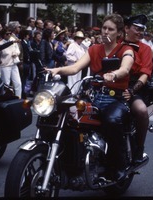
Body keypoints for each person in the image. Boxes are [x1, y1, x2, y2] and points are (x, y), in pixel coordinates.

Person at [45, 13, 135, 182]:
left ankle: (119, 165)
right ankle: (72, 161)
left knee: (112, 121)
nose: (106, 32)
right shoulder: (94, 49)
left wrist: (114, 75)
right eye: (104, 28)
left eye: (111, 29)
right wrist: (57, 70)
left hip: (116, 99)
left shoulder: (126, 49)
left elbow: (125, 68)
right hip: (94, 97)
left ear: (119, 33)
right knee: (71, 118)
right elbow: (75, 67)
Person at [122, 14, 153, 164]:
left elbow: (145, 74)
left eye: (142, 29)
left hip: (133, 87)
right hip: (111, 85)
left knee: (141, 110)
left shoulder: (146, 49)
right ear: (127, 28)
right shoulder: (117, 44)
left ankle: (139, 148)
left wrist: (132, 91)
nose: (140, 32)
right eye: (137, 28)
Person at [0, 27, 22, 98]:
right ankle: (6, 98)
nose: (9, 35)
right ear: (3, 35)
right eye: (7, 34)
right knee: (6, 84)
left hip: (14, 64)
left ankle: (18, 98)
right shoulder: (0, 44)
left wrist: (15, 53)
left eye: (10, 33)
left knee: (18, 83)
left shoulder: (13, 40)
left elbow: (18, 50)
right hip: (5, 65)